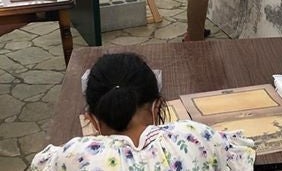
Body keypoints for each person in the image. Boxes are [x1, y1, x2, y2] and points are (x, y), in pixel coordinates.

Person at [31, 53, 255, 169]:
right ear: (157, 107)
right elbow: (236, 152)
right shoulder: (194, 135)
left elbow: (42, 164)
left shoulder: (74, 155)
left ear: (92, 120)